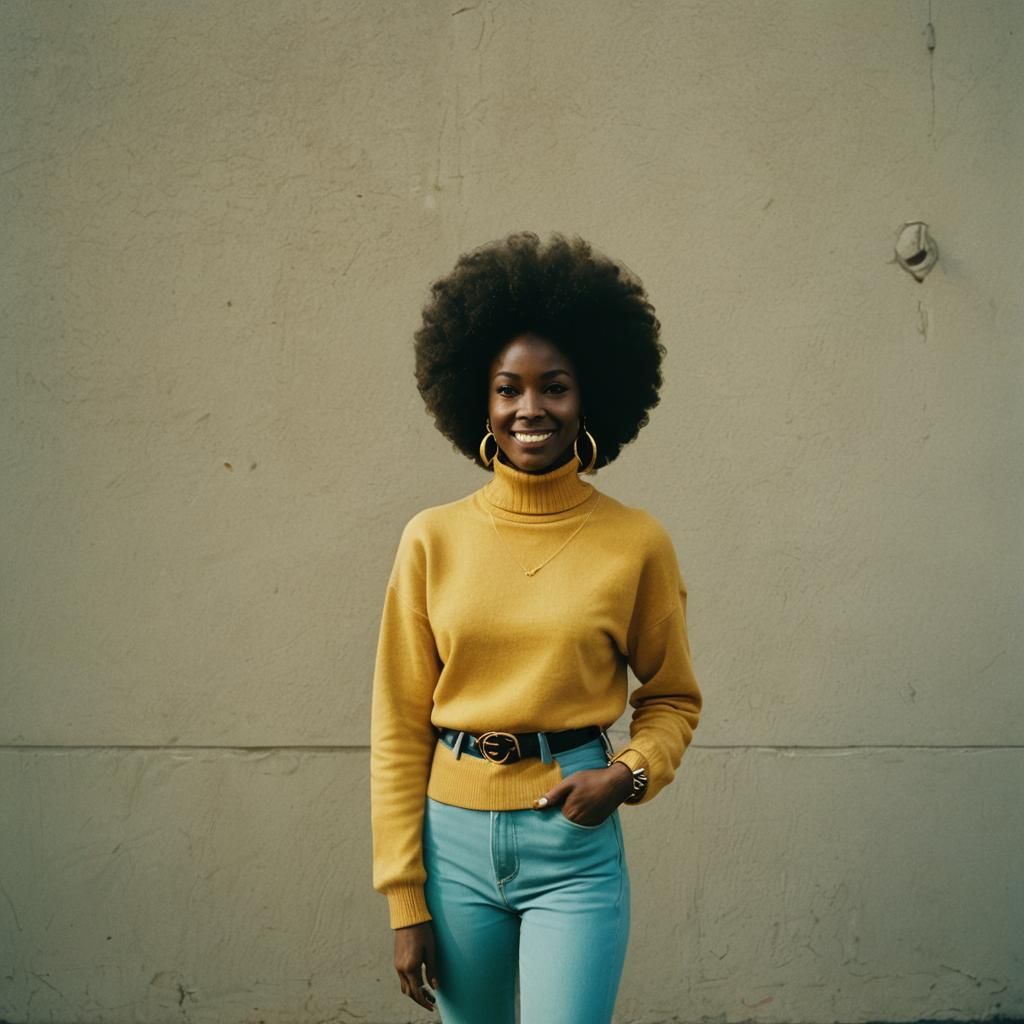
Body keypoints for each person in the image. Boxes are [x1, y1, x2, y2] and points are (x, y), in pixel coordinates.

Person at [370, 231, 703, 1024]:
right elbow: (398, 726)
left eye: (553, 387)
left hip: (573, 846)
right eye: (507, 389)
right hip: (451, 847)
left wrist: (628, 775)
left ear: (588, 398)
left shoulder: (636, 542)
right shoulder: (431, 538)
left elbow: (673, 698)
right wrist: (405, 899)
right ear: (478, 401)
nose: (530, 409)